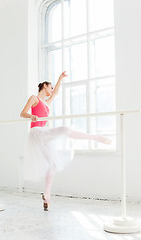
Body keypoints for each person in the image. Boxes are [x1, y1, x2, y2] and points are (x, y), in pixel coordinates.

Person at [20, 71, 111, 211]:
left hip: (43, 135)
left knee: (53, 164)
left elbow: (55, 93)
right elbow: (23, 113)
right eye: (49, 88)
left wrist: (60, 79)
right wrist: (31, 116)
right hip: (37, 132)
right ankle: (95, 138)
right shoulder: (34, 98)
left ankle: (47, 196)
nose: (51, 91)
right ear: (44, 86)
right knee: (64, 129)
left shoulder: (46, 102)